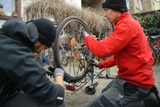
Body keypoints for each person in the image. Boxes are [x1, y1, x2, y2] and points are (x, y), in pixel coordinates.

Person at [82, 0, 160, 107]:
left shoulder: (127, 25)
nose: (105, 14)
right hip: (125, 78)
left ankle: (146, 101)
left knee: (98, 105)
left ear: (117, 8)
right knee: (105, 92)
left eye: (106, 10)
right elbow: (120, 57)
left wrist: (87, 37)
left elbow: (102, 50)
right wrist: (101, 64)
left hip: (136, 83)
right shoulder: (124, 23)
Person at [0, 18, 65, 107]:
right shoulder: (17, 54)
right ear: (37, 41)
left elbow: (14, 68)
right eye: (44, 48)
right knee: (57, 104)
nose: (40, 52)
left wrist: (39, 69)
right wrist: (59, 76)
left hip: (5, 91)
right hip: (4, 98)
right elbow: (56, 96)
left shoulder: (8, 38)